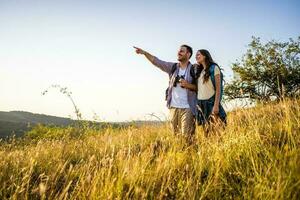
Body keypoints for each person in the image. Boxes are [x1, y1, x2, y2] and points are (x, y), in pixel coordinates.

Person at [134, 45, 197, 143]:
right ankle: (180, 157)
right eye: (178, 51)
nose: (178, 52)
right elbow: (157, 62)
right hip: (173, 108)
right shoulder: (173, 67)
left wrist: (188, 85)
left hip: (188, 108)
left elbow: (199, 88)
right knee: (175, 137)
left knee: (187, 138)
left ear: (188, 54)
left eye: (182, 51)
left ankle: (190, 155)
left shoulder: (194, 69)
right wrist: (144, 53)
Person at [194, 49, 226, 135]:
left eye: (198, 54)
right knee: (207, 134)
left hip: (211, 103)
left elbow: (219, 88)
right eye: (196, 55)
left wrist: (216, 105)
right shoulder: (200, 72)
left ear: (205, 56)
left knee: (217, 132)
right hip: (201, 105)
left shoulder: (214, 68)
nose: (196, 56)